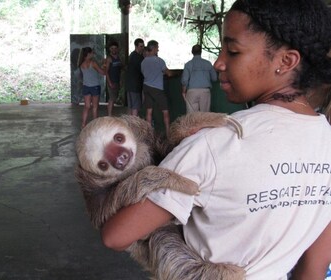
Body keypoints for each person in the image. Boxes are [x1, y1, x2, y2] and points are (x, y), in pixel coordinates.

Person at [101, 0, 331, 279]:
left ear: (286, 61)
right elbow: (313, 270)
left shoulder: (215, 143)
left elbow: (117, 235)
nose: (218, 62)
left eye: (233, 51)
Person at [141, 40, 173, 136]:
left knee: (149, 111)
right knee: (165, 111)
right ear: (154, 48)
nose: (158, 49)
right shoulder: (159, 61)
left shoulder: (143, 62)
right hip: (157, 88)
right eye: (157, 47)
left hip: (146, 87)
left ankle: (149, 134)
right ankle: (168, 133)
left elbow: (144, 73)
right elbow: (169, 73)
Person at [181, 44, 217, 113]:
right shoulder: (208, 63)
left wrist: (183, 91)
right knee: (205, 115)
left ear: (192, 52)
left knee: (192, 115)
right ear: (201, 52)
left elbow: (185, 80)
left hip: (192, 91)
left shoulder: (188, 64)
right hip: (205, 91)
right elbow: (214, 78)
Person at [79, 47, 105, 129]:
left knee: (86, 107)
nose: (93, 54)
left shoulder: (81, 63)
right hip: (95, 87)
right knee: (95, 107)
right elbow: (102, 72)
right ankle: (95, 126)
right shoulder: (93, 63)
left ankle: (83, 124)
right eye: (92, 53)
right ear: (89, 54)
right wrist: (105, 66)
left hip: (86, 86)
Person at [126, 38, 145, 116]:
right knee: (135, 107)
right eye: (141, 46)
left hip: (133, 85)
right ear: (136, 46)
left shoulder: (133, 55)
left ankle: (129, 124)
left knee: (132, 106)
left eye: (143, 46)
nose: (142, 48)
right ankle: (134, 125)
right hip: (134, 86)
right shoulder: (137, 57)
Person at [105, 41, 123, 116]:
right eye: (112, 48)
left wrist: (121, 80)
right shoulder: (109, 59)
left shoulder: (119, 58)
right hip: (111, 81)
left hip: (117, 80)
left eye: (115, 48)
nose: (114, 50)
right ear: (109, 49)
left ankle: (111, 114)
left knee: (114, 98)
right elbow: (106, 72)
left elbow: (121, 70)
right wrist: (109, 83)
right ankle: (109, 115)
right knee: (111, 99)